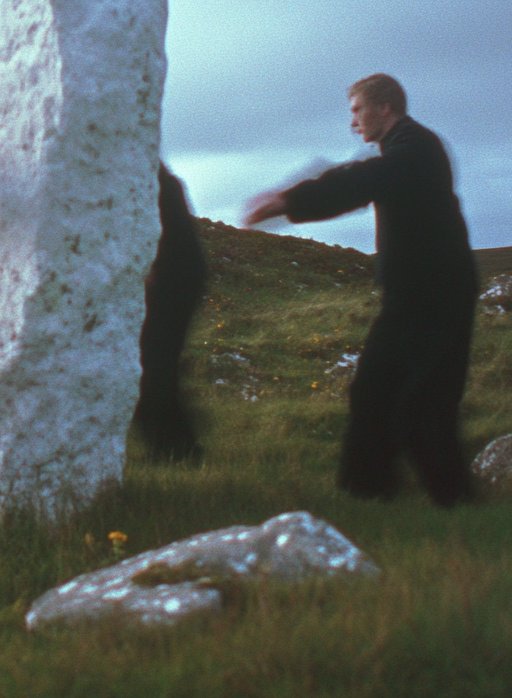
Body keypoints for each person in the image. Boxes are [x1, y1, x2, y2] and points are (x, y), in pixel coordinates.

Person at [244, 74, 478, 507]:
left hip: (429, 296)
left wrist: (288, 202)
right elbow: (359, 179)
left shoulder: (415, 148)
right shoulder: (409, 148)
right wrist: (295, 197)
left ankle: (371, 493)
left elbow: (363, 179)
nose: (353, 122)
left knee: (380, 390)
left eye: (356, 110)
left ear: (383, 108)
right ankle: (449, 498)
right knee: (425, 398)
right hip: (434, 291)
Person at [132, 163, 208, 461]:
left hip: (171, 279)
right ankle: (176, 449)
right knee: (154, 366)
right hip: (173, 276)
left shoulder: (150, 177)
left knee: (152, 367)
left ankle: (177, 451)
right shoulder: (157, 176)